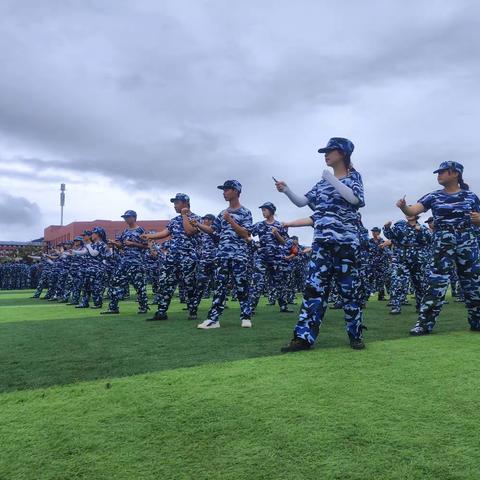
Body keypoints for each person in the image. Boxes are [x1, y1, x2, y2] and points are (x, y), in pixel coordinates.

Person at [276, 137, 366, 351]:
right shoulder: (321, 183)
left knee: (350, 291)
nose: (326, 155)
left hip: (346, 244)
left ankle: (355, 335)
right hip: (322, 244)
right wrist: (286, 190)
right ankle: (303, 338)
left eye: (330, 151)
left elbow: (355, 199)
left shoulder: (354, 177)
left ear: (342, 153)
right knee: (313, 290)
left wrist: (331, 179)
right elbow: (302, 202)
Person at [396, 161, 480, 334]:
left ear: (455, 173)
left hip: (467, 241)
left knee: (473, 282)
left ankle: (477, 320)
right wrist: (404, 206)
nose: (438, 175)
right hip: (442, 242)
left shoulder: (471, 197)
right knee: (436, 282)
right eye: (438, 172)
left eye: (442, 172)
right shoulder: (433, 196)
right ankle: (424, 323)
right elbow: (413, 211)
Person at [195, 180, 254, 329]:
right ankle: (213, 320)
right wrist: (198, 224)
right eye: (224, 190)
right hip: (222, 255)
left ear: (236, 191)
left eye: (227, 189)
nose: (224, 192)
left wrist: (230, 220)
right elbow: (213, 231)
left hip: (239, 255)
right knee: (220, 287)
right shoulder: (222, 213)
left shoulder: (245, 212)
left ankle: (246, 317)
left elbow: (245, 233)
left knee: (241, 286)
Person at [143, 194, 202, 321]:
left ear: (185, 203)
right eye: (174, 203)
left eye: (177, 203)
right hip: (172, 258)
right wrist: (149, 236)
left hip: (188, 257)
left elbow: (189, 231)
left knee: (189, 285)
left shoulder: (197, 219)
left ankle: (192, 311)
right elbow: (165, 233)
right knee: (165, 284)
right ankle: (161, 312)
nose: (174, 206)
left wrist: (185, 215)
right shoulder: (174, 220)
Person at [102, 210, 149, 315]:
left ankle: (143, 307)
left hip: (136, 262)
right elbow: (122, 246)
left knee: (139, 285)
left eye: (128, 217)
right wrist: (115, 243)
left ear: (134, 217)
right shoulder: (125, 231)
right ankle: (113, 307)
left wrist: (133, 244)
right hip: (124, 262)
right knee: (115, 282)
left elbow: (146, 246)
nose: (126, 219)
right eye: (125, 217)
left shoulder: (141, 230)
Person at [383, 215, 432, 314]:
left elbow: (430, 239)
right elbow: (390, 236)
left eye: (411, 213)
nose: (409, 215)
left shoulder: (423, 228)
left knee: (420, 284)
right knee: (398, 282)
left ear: (416, 215)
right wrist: (386, 227)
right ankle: (396, 306)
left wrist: (420, 230)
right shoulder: (399, 226)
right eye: (407, 213)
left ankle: (420, 305)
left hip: (418, 260)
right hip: (402, 259)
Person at [250, 202, 292, 314]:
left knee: (279, 283)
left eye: (265, 210)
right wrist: (254, 244)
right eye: (262, 210)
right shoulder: (259, 225)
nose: (263, 212)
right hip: (261, 258)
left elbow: (285, 243)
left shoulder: (279, 225)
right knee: (257, 282)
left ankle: (283, 307)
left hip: (276, 258)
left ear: (271, 211)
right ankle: (251, 308)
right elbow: (247, 234)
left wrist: (276, 234)